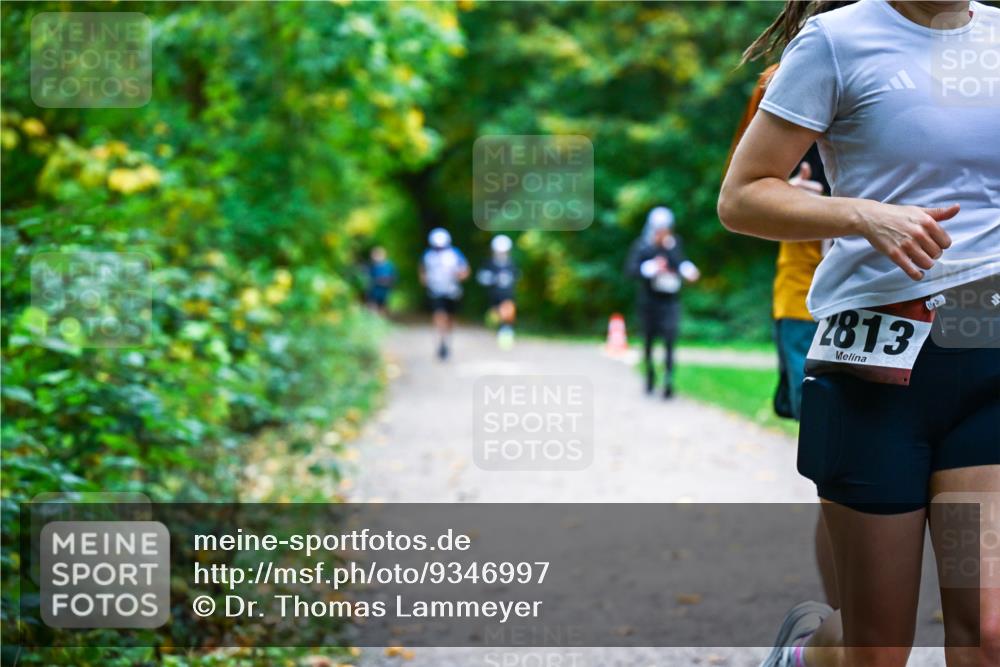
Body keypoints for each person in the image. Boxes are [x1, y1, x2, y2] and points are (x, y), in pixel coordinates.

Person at [720, 1, 999, 666]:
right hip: (877, 364)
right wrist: (863, 216)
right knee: (875, 647)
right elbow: (741, 195)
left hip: (987, 355)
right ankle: (807, 653)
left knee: (987, 629)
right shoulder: (837, 43)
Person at [726, 63, 840, 611]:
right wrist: (799, 200)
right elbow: (742, 193)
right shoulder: (786, 76)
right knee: (835, 457)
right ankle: (841, 621)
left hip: (880, 304)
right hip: (802, 306)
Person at [625, 207, 700, 398]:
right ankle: (650, 375)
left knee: (670, 339)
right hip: (649, 301)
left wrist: (688, 270)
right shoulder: (643, 246)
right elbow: (631, 270)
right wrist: (651, 267)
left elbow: (681, 263)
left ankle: (668, 380)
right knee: (648, 341)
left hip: (670, 301)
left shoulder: (674, 245)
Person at [419, 228, 469, 360]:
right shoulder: (428, 255)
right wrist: (426, 280)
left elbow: (465, 271)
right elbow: (422, 270)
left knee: (450, 318)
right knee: (439, 315)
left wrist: (459, 275)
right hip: (436, 291)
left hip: (452, 291)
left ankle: (447, 338)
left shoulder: (455, 254)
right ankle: (441, 340)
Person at [477, 234, 519, 350]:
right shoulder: (489, 263)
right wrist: (492, 279)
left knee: (508, 313)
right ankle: (502, 330)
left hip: (508, 294)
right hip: (494, 295)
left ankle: (506, 331)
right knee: (497, 316)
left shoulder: (511, 263)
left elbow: (517, 276)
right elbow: (482, 278)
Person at [365, 246, 397, 315]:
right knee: (372, 305)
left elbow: (394, 276)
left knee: (383, 305)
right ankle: (374, 320)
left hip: (385, 289)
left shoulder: (389, 265)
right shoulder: (372, 266)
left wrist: (389, 282)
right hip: (374, 289)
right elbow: (368, 278)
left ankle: (382, 319)